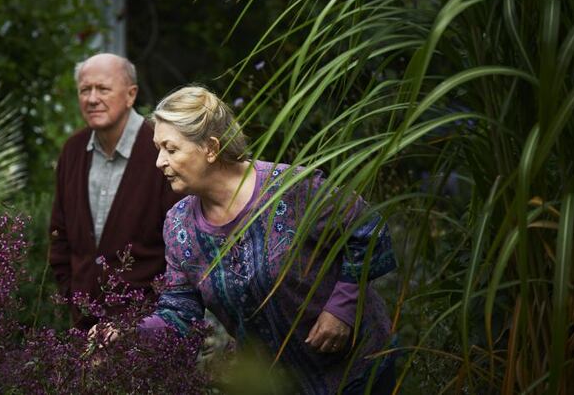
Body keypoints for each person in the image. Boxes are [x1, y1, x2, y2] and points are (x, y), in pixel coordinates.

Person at [140, 86, 397, 394]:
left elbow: (368, 229)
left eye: (170, 149)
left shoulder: (291, 188)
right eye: (158, 149)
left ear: (210, 148)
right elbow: (179, 311)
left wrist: (341, 310)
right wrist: (128, 336)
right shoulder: (179, 225)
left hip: (358, 372)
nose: (159, 162)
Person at [49, 53, 181, 329]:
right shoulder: (73, 151)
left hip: (147, 327)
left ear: (131, 94)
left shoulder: (162, 149)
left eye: (103, 88)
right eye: (85, 90)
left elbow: (181, 241)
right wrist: (73, 295)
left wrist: (158, 318)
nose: (92, 98)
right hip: (84, 326)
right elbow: (59, 236)